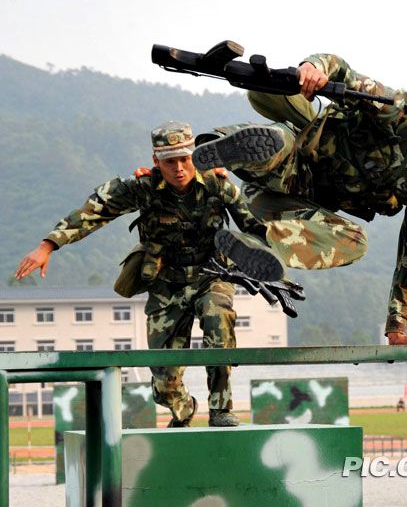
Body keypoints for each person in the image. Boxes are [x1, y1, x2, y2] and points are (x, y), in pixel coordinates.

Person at [192, 54, 407, 346]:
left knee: (356, 241)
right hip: (295, 166)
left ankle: (255, 246)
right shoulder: (395, 110)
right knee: (279, 143)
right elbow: (342, 70)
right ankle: (216, 147)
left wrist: (397, 327)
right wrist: (314, 67)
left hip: (293, 210)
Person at [14, 121, 288, 428]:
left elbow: (256, 228)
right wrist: (48, 245)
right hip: (166, 282)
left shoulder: (217, 185)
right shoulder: (142, 188)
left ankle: (220, 408)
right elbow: (94, 210)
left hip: (211, 274)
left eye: (185, 159)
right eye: (171, 162)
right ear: (156, 161)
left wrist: (283, 260)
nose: (180, 168)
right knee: (163, 379)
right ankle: (183, 410)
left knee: (218, 320)